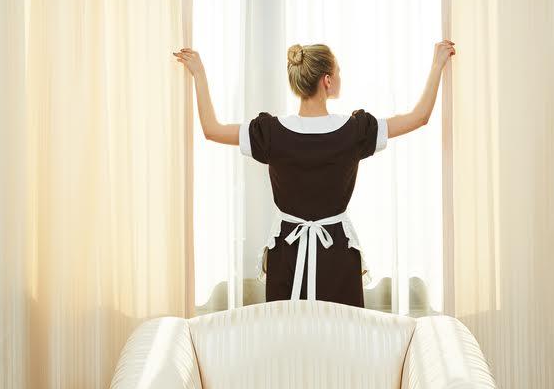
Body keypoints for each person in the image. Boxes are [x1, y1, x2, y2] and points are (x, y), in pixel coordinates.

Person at [172, 40, 455, 308]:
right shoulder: (354, 130)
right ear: (327, 81)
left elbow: (211, 129)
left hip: (287, 251)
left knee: (289, 342)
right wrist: (437, 64)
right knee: (340, 341)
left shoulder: (270, 132)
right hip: (337, 253)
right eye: (338, 72)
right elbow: (419, 117)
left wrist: (199, 73)